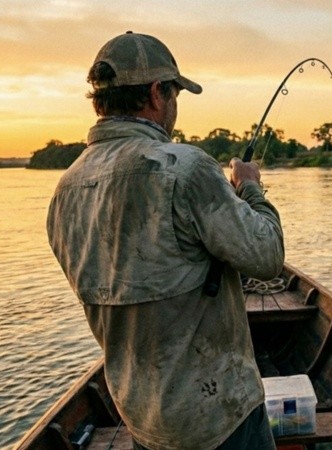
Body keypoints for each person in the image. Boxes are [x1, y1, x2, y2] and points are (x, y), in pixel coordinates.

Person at [46, 31, 284, 450]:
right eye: (175, 94)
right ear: (157, 94)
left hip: (142, 420)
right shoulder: (186, 168)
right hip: (220, 419)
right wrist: (249, 189)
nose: (174, 106)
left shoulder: (64, 191)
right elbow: (267, 256)